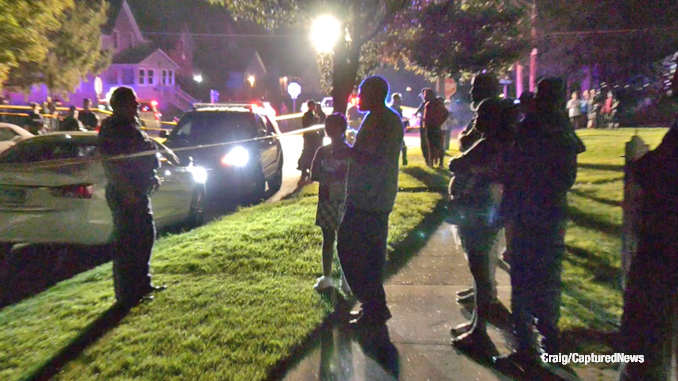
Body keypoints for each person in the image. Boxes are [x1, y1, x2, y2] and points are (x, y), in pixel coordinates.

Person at [493, 78, 583, 374]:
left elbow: (512, 169)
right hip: (550, 215)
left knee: (523, 284)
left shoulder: (533, 128)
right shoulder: (561, 129)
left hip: (529, 215)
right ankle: (550, 346)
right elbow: (566, 178)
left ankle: (528, 350)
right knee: (546, 281)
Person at [618, 70, 678, 380]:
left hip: (665, 245)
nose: (670, 83)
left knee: (649, 321)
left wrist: (639, 162)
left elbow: (657, 172)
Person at [446, 73, 513, 354]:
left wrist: (460, 162)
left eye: (483, 116)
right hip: (480, 213)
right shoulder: (496, 142)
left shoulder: (489, 145)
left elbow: (457, 163)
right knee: (480, 271)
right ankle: (476, 324)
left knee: (482, 273)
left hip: (478, 215)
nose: (478, 119)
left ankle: (480, 333)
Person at [337, 76, 403, 327]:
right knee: (370, 254)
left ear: (377, 94)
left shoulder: (384, 120)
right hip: (372, 196)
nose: (358, 96)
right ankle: (375, 306)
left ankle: (372, 303)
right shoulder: (380, 118)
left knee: (349, 249)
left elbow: (375, 157)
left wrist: (348, 151)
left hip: (370, 198)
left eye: (363, 92)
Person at [99, 87, 166, 307]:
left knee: (145, 237)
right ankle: (127, 293)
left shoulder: (130, 126)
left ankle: (142, 284)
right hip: (126, 194)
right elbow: (114, 164)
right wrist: (126, 190)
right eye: (133, 102)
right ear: (121, 105)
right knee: (128, 243)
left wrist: (151, 176)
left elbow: (142, 155)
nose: (137, 106)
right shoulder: (114, 128)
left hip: (138, 191)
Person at [310, 113, 351, 293]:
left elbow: (355, 175)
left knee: (345, 240)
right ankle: (327, 277)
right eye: (327, 126)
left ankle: (346, 279)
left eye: (332, 126)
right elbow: (314, 174)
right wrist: (329, 177)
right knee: (328, 239)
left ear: (342, 129)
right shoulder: (322, 151)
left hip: (344, 200)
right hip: (326, 199)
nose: (328, 129)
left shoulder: (349, 151)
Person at [422, 89, 449, 167]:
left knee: (438, 145)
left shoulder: (437, 103)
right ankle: (432, 162)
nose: (424, 97)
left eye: (426, 95)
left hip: (435, 127)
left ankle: (440, 163)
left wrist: (439, 122)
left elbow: (446, 113)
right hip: (429, 127)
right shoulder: (428, 104)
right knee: (431, 145)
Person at [298, 100, 322, 182]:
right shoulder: (309, 115)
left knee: (308, 153)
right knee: (309, 153)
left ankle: (306, 170)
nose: (315, 107)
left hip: (309, 137)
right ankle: (304, 170)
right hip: (310, 138)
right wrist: (316, 120)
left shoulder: (309, 115)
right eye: (313, 106)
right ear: (310, 106)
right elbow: (310, 126)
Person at [389, 93, 408, 166]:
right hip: (392, 130)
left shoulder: (400, 109)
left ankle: (404, 160)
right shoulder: (391, 108)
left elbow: (401, 119)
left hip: (398, 130)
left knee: (403, 146)